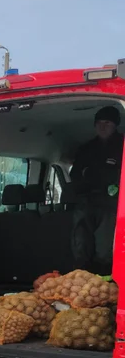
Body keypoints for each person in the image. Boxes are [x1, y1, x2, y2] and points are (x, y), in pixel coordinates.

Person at [70, 105, 124, 273]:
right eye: (99, 123)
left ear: (115, 125)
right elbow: (75, 175)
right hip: (86, 202)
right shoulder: (86, 149)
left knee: (105, 245)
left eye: (107, 122)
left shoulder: (122, 146)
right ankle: (82, 276)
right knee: (81, 243)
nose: (102, 126)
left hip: (113, 204)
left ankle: (106, 279)